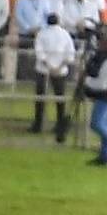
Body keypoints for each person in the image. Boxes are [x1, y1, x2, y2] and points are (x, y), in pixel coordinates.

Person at [32, 12, 76, 141]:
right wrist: (59, 66)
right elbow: (70, 53)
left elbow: (39, 51)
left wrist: (48, 65)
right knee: (60, 98)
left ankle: (38, 124)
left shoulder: (42, 33)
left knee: (40, 98)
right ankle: (60, 124)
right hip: (60, 70)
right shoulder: (65, 34)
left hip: (43, 69)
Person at [80, 32, 107, 166]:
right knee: (103, 124)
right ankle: (104, 156)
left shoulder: (102, 57)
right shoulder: (100, 56)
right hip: (102, 92)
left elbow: (95, 73)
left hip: (104, 93)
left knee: (96, 124)